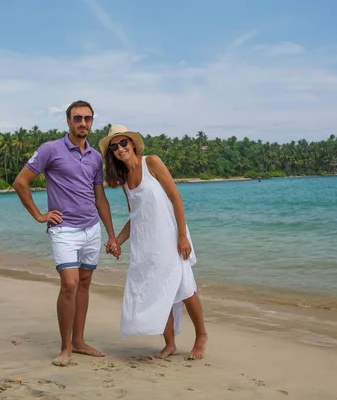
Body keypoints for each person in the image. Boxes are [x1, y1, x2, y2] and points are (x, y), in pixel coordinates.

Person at [13, 100, 119, 367]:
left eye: (87, 118)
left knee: (84, 284)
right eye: (77, 118)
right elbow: (20, 182)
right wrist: (39, 215)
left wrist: (111, 235)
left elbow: (100, 198)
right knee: (70, 284)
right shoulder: (51, 150)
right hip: (64, 230)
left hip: (91, 229)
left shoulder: (95, 157)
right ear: (68, 121)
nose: (82, 123)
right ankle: (65, 348)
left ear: (92, 121)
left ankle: (79, 342)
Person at [99, 124, 208, 360]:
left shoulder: (152, 163)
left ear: (133, 144)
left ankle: (201, 335)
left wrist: (182, 235)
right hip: (146, 243)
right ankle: (170, 343)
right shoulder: (125, 181)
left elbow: (176, 199)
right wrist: (117, 241)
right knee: (160, 290)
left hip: (170, 237)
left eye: (123, 143)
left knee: (185, 287)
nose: (120, 148)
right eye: (114, 146)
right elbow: (135, 218)